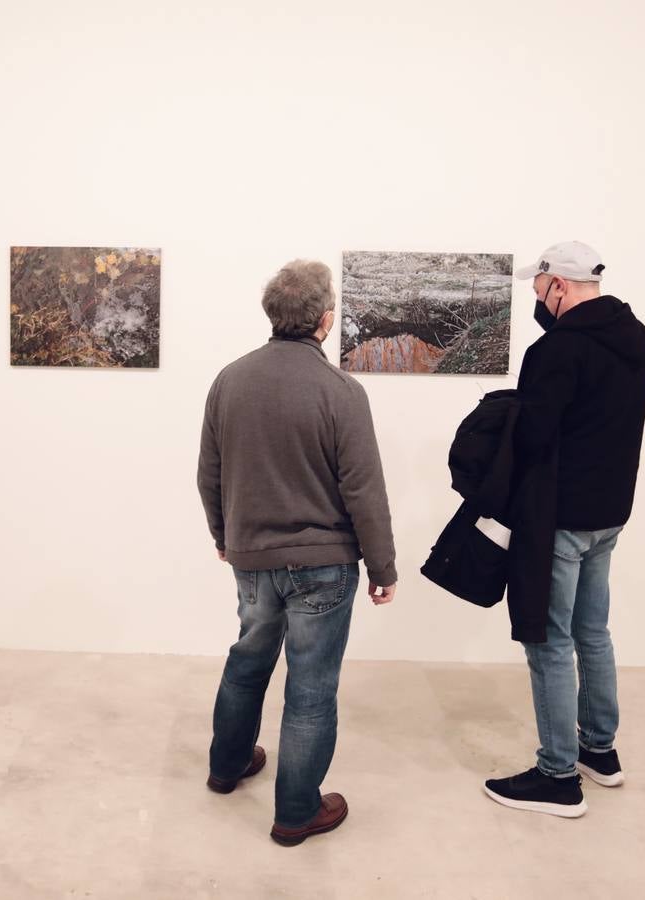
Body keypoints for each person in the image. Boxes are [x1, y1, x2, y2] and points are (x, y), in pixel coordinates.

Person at [198, 259, 398, 845]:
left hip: (253, 557)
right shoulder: (340, 391)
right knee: (310, 688)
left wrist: (224, 537)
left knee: (248, 660)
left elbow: (210, 472)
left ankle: (226, 766)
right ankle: (296, 812)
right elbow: (364, 488)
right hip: (323, 565)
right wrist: (382, 567)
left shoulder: (229, 380)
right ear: (325, 320)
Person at [483, 242, 645, 817]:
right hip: (609, 512)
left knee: (549, 640)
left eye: (538, 290)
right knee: (593, 632)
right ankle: (599, 751)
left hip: (559, 517)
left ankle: (558, 776)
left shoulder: (558, 350)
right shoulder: (637, 338)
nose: (537, 300)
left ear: (558, 284)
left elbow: (534, 437)